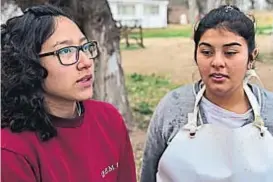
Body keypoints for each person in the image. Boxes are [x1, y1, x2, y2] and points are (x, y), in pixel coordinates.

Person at [1, 4, 136, 182]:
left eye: (85, 47)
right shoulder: (11, 149)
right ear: (29, 64)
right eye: (66, 51)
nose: (86, 62)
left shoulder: (108, 119)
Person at [140, 5, 273, 182]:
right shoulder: (173, 108)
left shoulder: (269, 110)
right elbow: (148, 174)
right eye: (207, 52)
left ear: (251, 57)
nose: (217, 62)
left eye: (230, 53)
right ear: (196, 55)